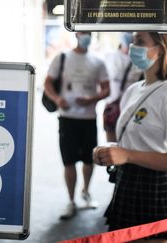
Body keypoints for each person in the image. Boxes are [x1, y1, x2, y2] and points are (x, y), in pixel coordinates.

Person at [93, 32, 167, 242]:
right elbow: (133, 143)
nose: (133, 47)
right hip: (128, 181)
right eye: (133, 41)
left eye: (140, 42)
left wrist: (127, 155)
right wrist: (110, 151)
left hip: (155, 186)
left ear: (160, 49)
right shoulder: (133, 89)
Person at [44, 32, 110, 220]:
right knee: (69, 160)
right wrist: (57, 98)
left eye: (89, 34)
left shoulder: (98, 61)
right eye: (83, 33)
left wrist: (93, 98)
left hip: (89, 118)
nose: (86, 37)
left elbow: (107, 88)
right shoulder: (62, 57)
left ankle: (86, 192)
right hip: (67, 118)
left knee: (90, 160)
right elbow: (47, 82)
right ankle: (71, 200)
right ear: (77, 34)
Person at [103, 32, 143, 142]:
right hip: (113, 104)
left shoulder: (139, 59)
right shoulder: (110, 57)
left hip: (132, 106)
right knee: (112, 140)